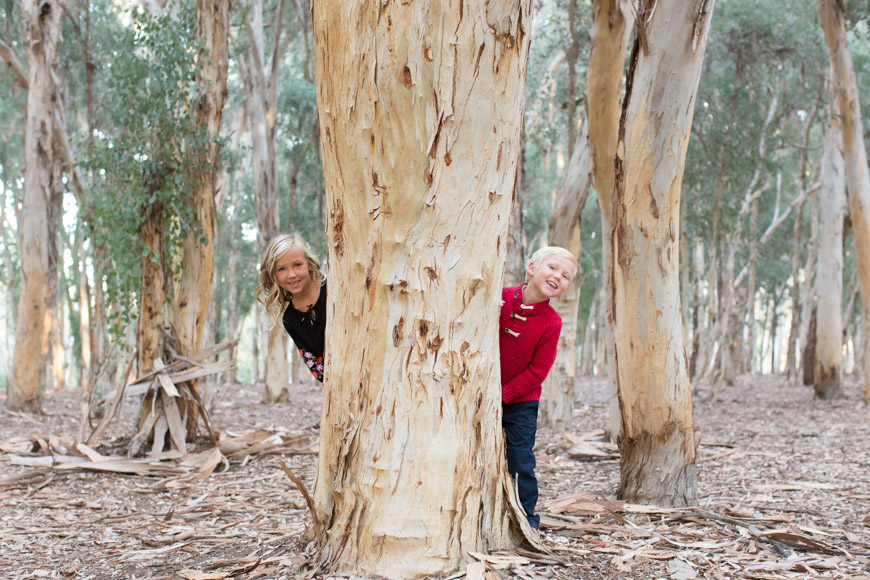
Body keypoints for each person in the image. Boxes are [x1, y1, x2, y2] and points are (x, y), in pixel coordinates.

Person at [499, 246, 578, 529]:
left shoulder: (551, 322)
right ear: (532, 268)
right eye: (553, 267)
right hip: (483, 393)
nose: (558, 276)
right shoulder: (501, 298)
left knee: (521, 459)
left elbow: (537, 372)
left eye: (565, 275)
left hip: (521, 401)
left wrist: (504, 394)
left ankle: (527, 520)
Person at [257, 234, 326, 382]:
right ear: (272, 274)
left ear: (308, 263)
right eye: (282, 269)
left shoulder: (332, 288)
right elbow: (316, 368)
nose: (292, 275)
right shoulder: (290, 320)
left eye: (297, 265)